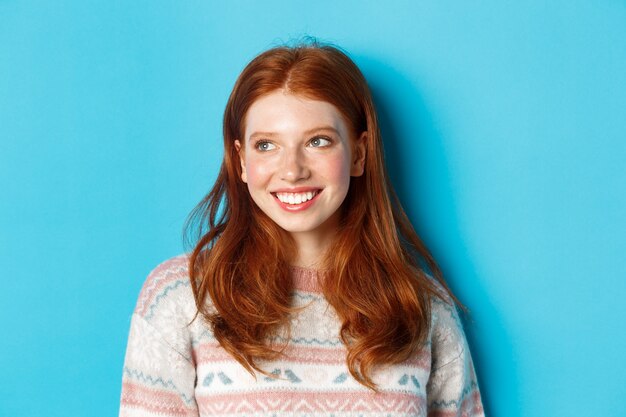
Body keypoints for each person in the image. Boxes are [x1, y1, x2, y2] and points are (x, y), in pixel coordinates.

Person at [119, 41, 484, 417]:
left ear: (359, 154)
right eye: (266, 145)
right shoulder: (181, 296)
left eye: (318, 141)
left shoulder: (421, 305)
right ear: (241, 160)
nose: (292, 170)